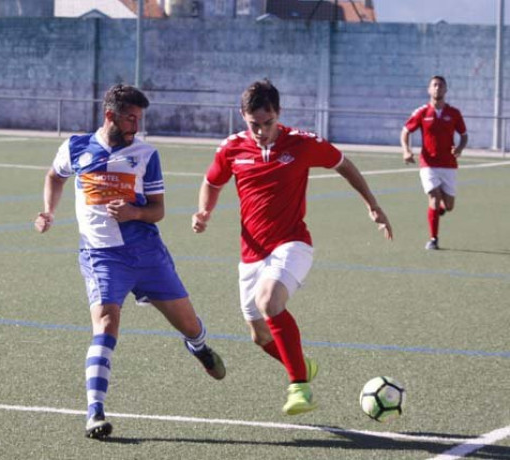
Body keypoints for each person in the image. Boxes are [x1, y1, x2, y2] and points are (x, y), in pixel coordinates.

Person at [35, 84, 225, 439]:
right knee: (106, 323)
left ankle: (198, 346)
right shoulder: (76, 147)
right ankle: (95, 412)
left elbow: (159, 211)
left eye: (139, 118)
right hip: (102, 257)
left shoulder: (146, 154)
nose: (135, 126)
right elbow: (54, 176)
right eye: (130, 118)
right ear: (110, 115)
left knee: (189, 325)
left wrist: (133, 212)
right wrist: (48, 211)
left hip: (148, 255)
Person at [192, 79, 392, 415]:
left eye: (268, 122)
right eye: (254, 124)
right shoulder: (232, 148)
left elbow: (344, 164)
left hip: (292, 243)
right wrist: (204, 212)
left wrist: (372, 205)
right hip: (250, 253)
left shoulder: (302, 143)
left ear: (278, 114)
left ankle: (299, 386)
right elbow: (212, 182)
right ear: (243, 116)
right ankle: (302, 364)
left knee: (269, 301)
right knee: (259, 336)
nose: (261, 131)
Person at [400, 75, 468, 250]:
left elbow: (464, 135)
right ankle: (433, 239)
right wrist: (406, 150)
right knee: (434, 198)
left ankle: (440, 209)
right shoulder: (422, 112)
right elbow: (405, 131)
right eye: (434, 85)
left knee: (449, 206)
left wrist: (459, 148)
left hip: (449, 165)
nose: (437, 88)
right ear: (429, 90)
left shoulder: (454, 113)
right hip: (428, 164)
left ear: (446, 90)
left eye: (441, 86)